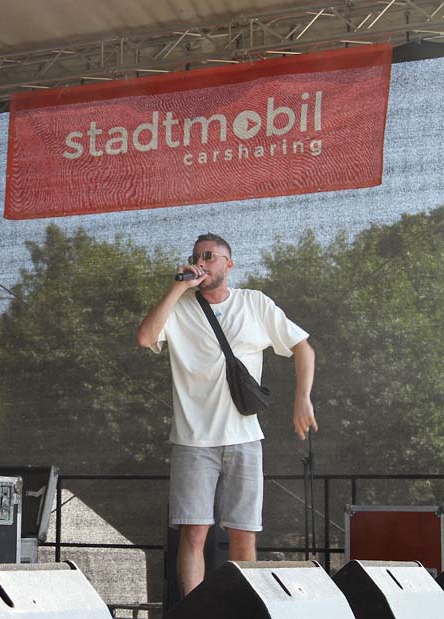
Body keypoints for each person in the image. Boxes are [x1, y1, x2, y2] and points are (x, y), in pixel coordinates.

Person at [135, 233, 317, 597]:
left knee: (244, 533)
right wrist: (177, 287)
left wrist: (302, 398)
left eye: (209, 256)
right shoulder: (179, 305)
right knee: (194, 533)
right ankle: (195, 610)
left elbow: (303, 347)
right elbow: (144, 338)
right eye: (195, 257)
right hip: (192, 440)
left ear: (229, 264)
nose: (201, 262)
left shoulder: (254, 302)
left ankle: (240, 607)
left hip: (244, 439)